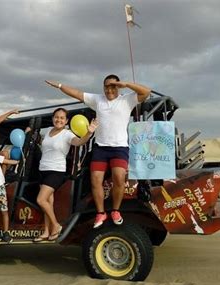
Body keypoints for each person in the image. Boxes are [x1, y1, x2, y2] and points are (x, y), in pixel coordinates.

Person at [45, 75, 151, 228]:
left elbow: (146, 92)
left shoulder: (127, 99)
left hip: (119, 147)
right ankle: (100, 213)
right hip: (101, 147)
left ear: (118, 87)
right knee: (95, 179)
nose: (109, 89)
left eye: (113, 86)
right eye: (107, 86)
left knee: (119, 177)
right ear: (103, 88)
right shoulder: (98, 100)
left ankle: (115, 210)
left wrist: (126, 84)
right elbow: (77, 93)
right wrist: (60, 85)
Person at [34, 108, 98, 242]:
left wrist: (88, 133)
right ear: (53, 118)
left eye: (62, 118)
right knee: (48, 202)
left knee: (41, 200)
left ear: (66, 121)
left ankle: (56, 226)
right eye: (56, 117)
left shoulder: (67, 134)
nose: (59, 120)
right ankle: (46, 231)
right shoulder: (47, 132)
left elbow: (79, 142)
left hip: (56, 171)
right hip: (43, 169)